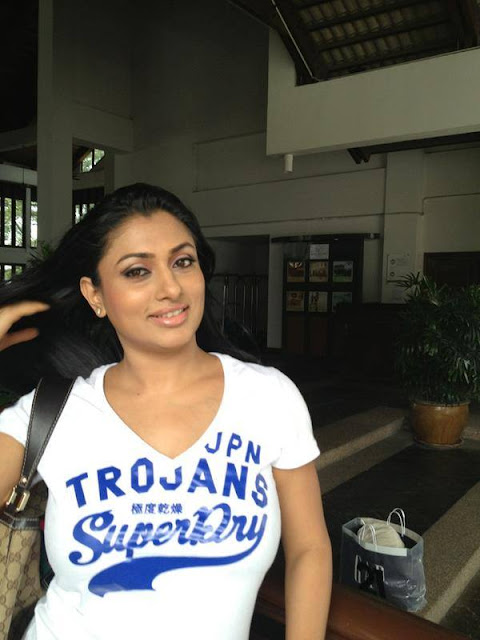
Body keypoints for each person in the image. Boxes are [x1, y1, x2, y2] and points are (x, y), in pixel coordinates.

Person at [0, 183, 332, 639]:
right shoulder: (51, 414)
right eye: (137, 271)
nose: (171, 287)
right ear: (95, 295)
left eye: (183, 262)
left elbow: (309, 548)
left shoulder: (268, 398)